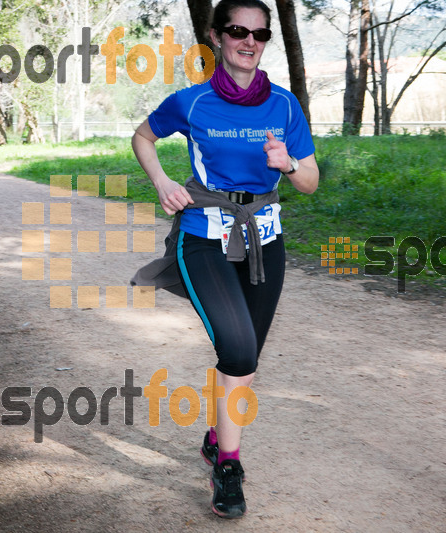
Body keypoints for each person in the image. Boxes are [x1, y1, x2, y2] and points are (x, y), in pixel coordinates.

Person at [130, 0, 318, 519]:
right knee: (237, 350)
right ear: (216, 36)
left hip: (266, 239)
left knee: (246, 358)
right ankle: (229, 464)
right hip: (205, 237)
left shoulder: (283, 105)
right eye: (238, 30)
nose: (249, 41)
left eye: (260, 34)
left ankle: (217, 436)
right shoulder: (190, 102)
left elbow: (310, 181)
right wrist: (164, 182)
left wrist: (289, 164)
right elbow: (142, 136)